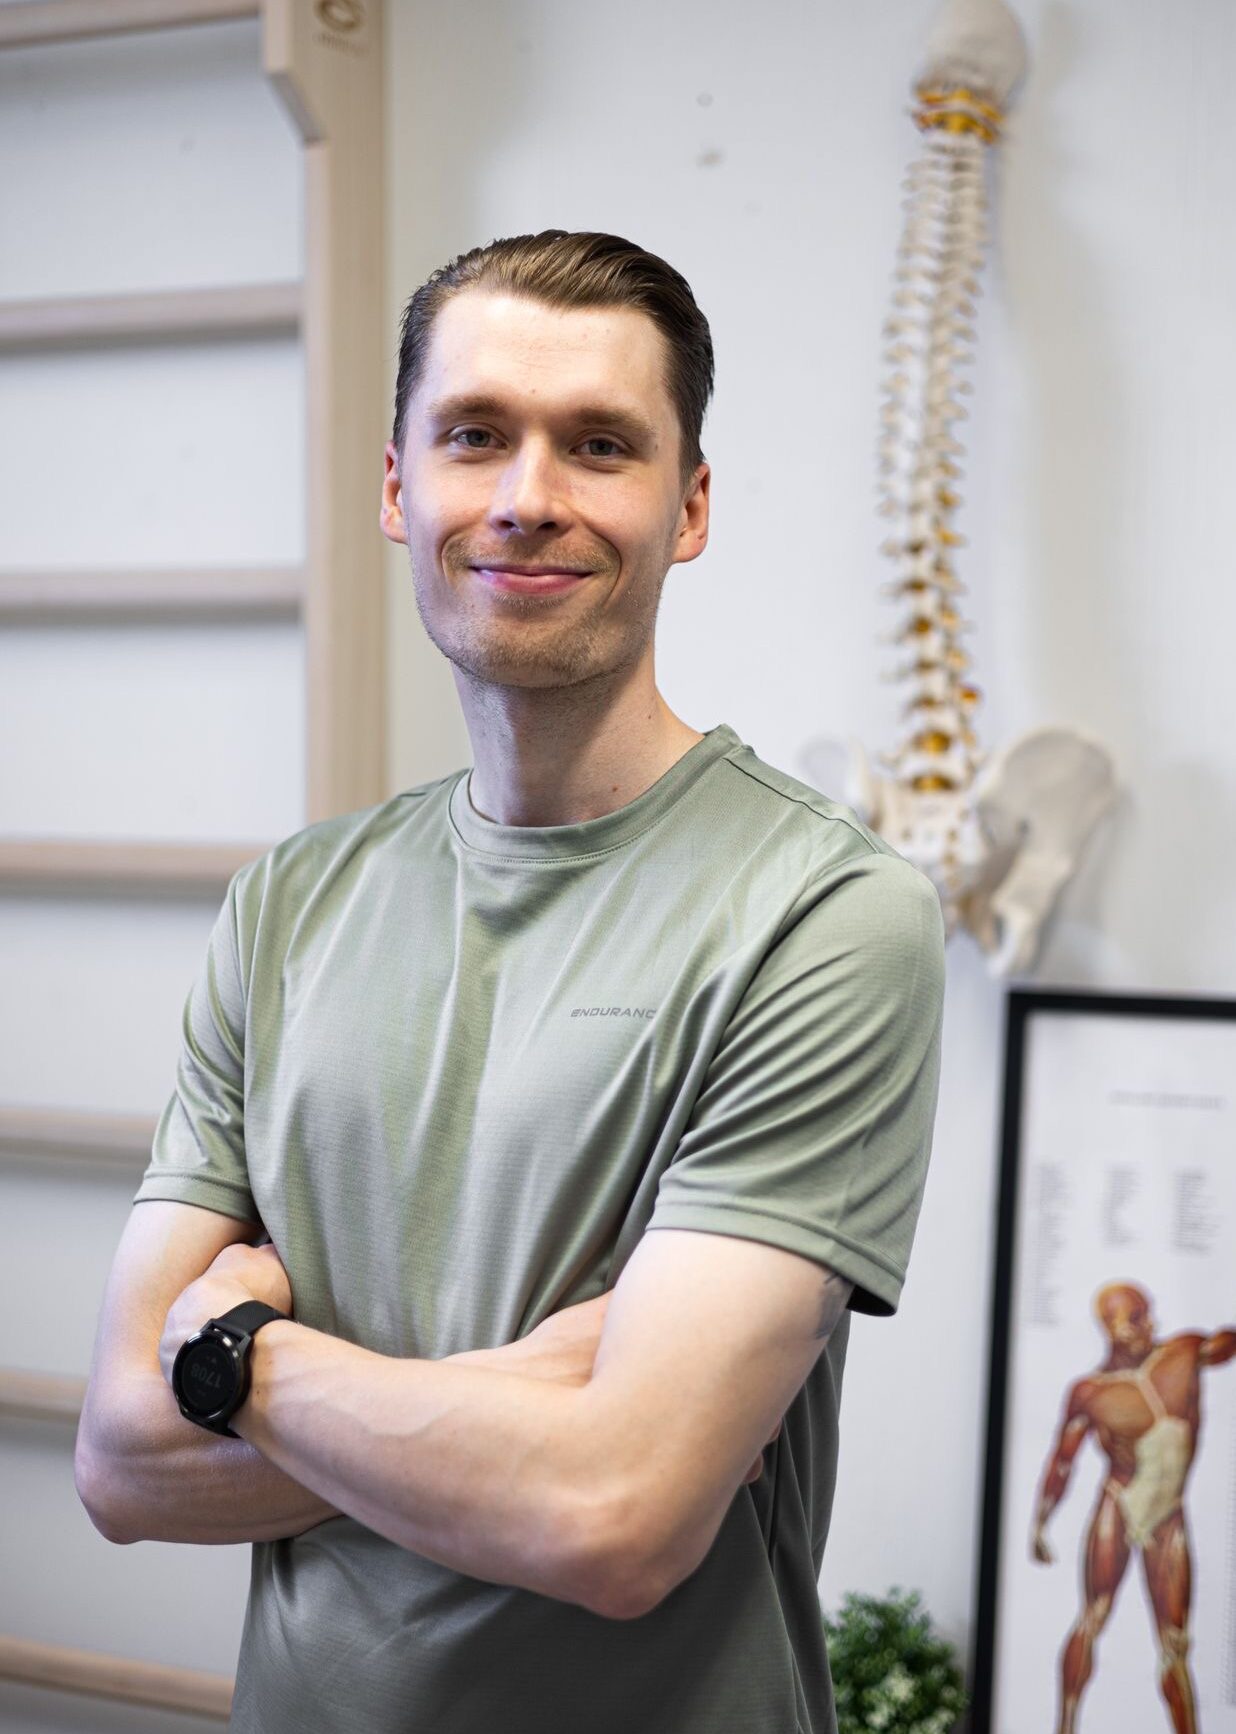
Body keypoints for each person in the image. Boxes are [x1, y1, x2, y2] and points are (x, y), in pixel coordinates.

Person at [74, 229, 947, 1734]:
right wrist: (528, 1394)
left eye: (599, 444)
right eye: (476, 435)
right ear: (400, 489)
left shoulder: (823, 914)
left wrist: (238, 1361)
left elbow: (614, 1519)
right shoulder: (288, 907)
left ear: (689, 505)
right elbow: (121, 1463)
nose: (529, 495)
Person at [1031, 1280, 1236, 1734]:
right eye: (1136, 1317)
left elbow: (1224, 1345)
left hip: (1168, 1514)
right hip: (1119, 1506)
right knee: (1094, 1616)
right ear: (1112, 1327)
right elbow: (1062, 1462)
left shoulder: (1183, 1354)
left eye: (1147, 1313)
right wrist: (1041, 1524)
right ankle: (1065, 1726)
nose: (1150, 1324)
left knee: (1175, 1644)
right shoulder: (1092, 1392)